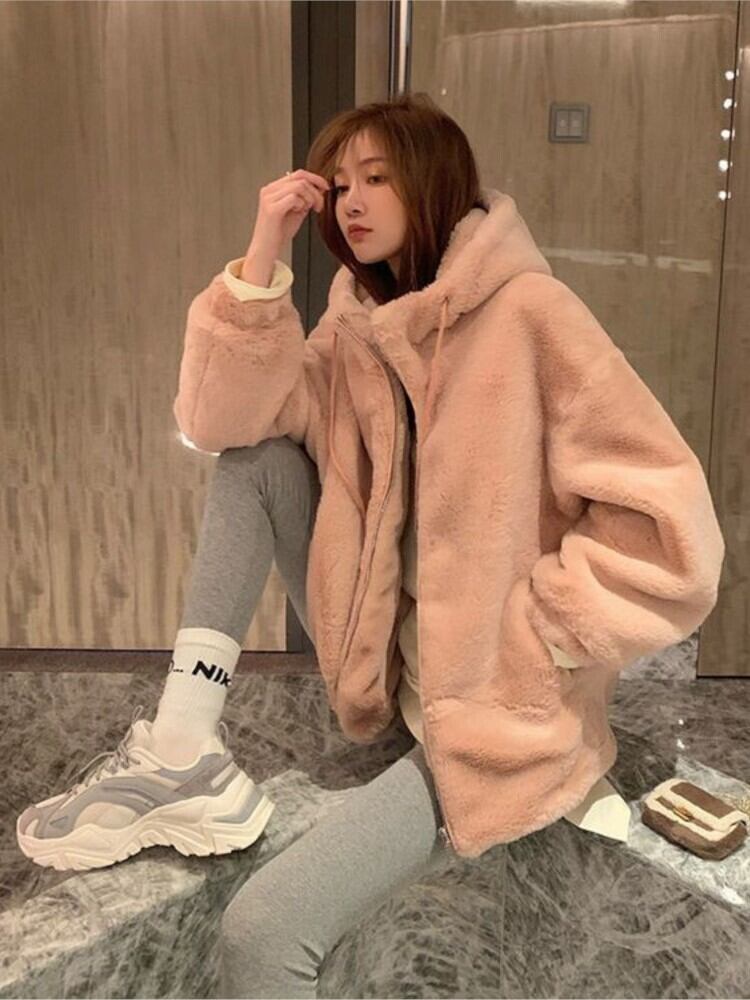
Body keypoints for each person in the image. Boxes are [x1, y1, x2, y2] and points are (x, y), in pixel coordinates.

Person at [17, 92, 725, 997]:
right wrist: (261, 258)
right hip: (390, 665)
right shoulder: (357, 326)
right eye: (340, 183)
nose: (350, 200)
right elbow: (224, 421)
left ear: (431, 183)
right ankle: (182, 744)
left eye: (377, 178)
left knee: (264, 931)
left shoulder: (532, 314)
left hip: (489, 709)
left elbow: (669, 526)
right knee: (257, 463)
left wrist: (537, 642)